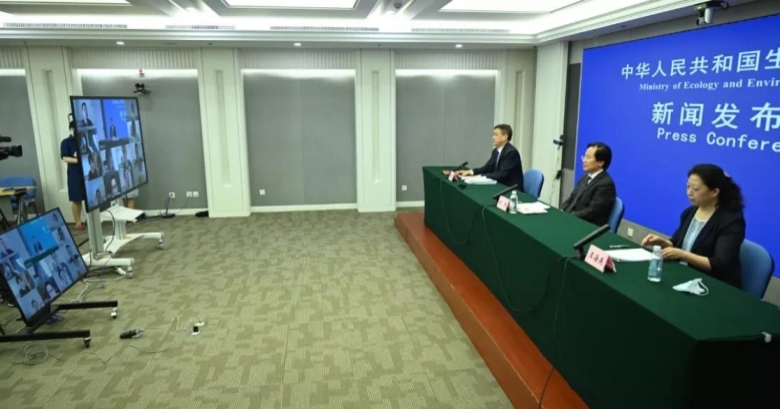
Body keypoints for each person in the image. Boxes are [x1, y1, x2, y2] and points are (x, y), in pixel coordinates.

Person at [641, 164, 745, 289]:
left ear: (714, 192)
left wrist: (683, 255)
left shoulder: (731, 221)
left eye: (695, 189)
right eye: (688, 186)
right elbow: (677, 243)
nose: (689, 193)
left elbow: (719, 264)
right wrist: (662, 242)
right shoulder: (690, 212)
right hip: (686, 276)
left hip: (715, 285)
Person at [451, 124, 525, 190]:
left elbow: (502, 175)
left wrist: (478, 176)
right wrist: (470, 172)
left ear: (505, 137)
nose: (493, 137)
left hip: (510, 189)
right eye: (493, 135)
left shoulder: (511, 153)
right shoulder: (495, 151)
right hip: (499, 185)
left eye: (496, 135)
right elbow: (487, 168)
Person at [560, 142, 616, 227]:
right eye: (584, 156)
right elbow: (572, 198)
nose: (584, 160)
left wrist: (569, 217)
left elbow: (592, 212)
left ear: (600, 162)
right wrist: (561, 210)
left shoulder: (606, 184)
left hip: (587, 226)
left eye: (588, 157)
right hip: (573, 220)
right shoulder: (584, 177)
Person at [61, 121, 85, 230]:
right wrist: (79, 160)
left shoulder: (83, 139)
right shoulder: (66, 142)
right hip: (74, 174)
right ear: (71, 129)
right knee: (76, 199)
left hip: (85, 172)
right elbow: (65, 158)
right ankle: (78, 222)